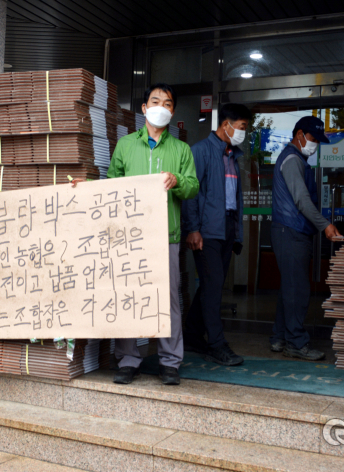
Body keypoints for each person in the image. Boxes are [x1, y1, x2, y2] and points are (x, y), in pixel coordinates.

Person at [92, 83, 198, 385]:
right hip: (129, 237)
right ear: (144, 108)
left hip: (166, 235)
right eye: (155, 101)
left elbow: (193, 187)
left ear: (172, 110)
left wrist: (176, 180)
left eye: (167, 103)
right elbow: (110, 183)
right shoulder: (125, 145)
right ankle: (128, 359)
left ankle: (170, 362)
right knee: (128, 295)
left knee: (167, 300)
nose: (160, 107)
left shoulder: (181, 149)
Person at [182, 103, 251, 366]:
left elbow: (234, 199)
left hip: (227, 229)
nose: (244, 132)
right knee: (213, 289)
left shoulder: (232, 155)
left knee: (213, 285)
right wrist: (193, 229)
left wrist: (238, 233)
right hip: (207, 231)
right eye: (242, 127)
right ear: (226, 125)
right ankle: (217, 344)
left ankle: (191, 335)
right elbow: (191, 195)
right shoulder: (199, 151)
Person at [270, 116, 341, 361]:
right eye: (312, 139)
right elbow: (301, 200)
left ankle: (279, 336)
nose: (315, 145)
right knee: (297, 290)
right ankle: (296, 343)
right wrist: (325, 225)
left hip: (290, 231)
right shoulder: (291, 160)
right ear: (299, 134)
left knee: (289, 288)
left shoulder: (298, 159)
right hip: (290, 231)